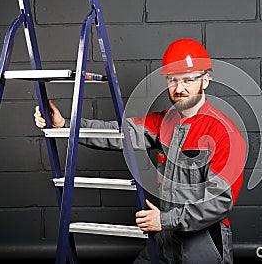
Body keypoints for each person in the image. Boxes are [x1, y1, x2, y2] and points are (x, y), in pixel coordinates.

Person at [34, 38, 246, 264]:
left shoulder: (225, 134)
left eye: (188, 80)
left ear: (205, 80)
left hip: (203, 243)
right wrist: (66, 125)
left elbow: (219, 203)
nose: (179, 88)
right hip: (166, 238)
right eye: (173, 80)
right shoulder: (163, 122)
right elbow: (117, 134)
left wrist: (164, 220)